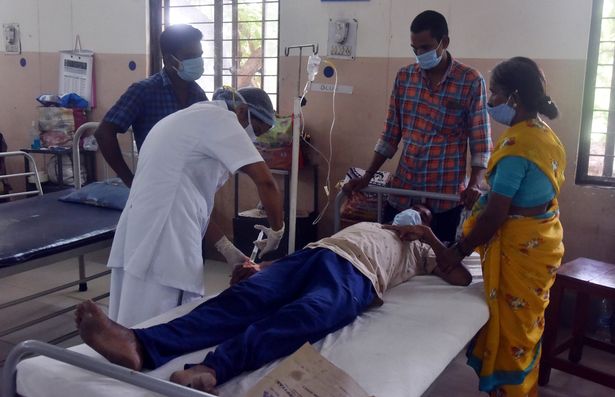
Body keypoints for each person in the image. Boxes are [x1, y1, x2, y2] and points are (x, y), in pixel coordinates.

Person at [75, 221, 472, 393]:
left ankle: (213, 368)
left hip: (358, 278)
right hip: (313, 256)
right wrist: (262, 268)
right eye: (408, 214)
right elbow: (305, 253)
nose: (409, 217)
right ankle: (140, 344)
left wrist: (429, 237)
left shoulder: (422, 250)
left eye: (419, 215)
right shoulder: (368, 227)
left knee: (305, 317)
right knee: (244, 298)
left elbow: (461, 278)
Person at [434, 57, 566, 397]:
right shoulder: (544, 135)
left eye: (494, 93)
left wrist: (457, 251)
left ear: (514, 98)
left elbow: (495, 216)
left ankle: (508, 391)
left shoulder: (516, 148)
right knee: (526, 326)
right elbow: (522, 193)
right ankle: (522, 386)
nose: (489, 101)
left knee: (511, 329)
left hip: (521, 247)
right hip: (544, 238)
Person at [107, 86, 285, 327]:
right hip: (166, 237)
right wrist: (277, 229)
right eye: (257, 130)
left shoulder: (187, 118)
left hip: (142, 227)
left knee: (130, 318)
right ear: (243, 112)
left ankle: (121, 356)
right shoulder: (222, 120)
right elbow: (266, 182)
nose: (254, 139)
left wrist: (228, 250)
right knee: (162, 322)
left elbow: (194, 203)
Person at [343, 10, 491, 243]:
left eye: (426, 48)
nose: (420, 54)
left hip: (444, 196)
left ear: (444, 42)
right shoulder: (405, 78)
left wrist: (474, 184)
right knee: (390, 254)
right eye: (415, 49)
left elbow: (481, 144)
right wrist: (368, 175)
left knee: (434, 262)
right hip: (404, 191)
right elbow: (390, 135)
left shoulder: (470, 81)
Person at [94, 24, 208, 188]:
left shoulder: (197, 94)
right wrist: (129, 180)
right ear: (169, 60)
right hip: (155, 184)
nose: (197, 62)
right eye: (190, 56)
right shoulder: (144, 91)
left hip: (191, 185)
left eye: (199, 55)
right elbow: (104, 133)